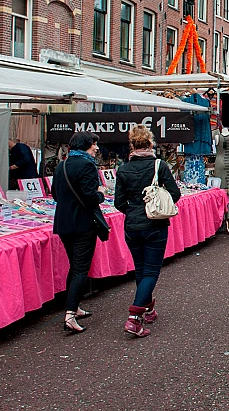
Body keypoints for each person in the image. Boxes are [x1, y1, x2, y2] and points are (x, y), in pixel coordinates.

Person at [114, 125, 181, 338]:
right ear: (150, 143)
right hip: (155, 225)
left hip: (132, 225)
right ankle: (134, 317)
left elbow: (118, 202)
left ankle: (148, 310)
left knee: (141, 270)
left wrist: (133, 210)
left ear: (132, 145)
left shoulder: (123, 169)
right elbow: (175, 194)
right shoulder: (159, 166)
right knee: (151, 271)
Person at [52, 131, 105, 334]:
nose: (96, 148)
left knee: (75, 266)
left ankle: (73, 307)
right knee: (81, 268)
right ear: (85, 145)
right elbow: (91, 197)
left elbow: (55, 194)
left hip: (64, 223)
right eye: (94, 144)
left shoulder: (62, 165)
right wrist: (100, 194)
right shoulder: (87, 165)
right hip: (83, 223)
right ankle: (70, 315)